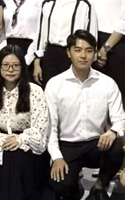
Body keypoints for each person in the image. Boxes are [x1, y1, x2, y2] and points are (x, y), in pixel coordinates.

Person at [46, 30, 125, 200]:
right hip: (67, 145)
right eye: (78, 50)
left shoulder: (107, 83)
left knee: (116, 147)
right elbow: (50, 127)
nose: (83, 56)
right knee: (60, 186)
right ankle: (74, 185)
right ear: (69, 52)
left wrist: (113, 132)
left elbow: (120, 119)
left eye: (89, 51)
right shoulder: (55, 84)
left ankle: (99, 187)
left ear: (95, 53)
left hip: (96, 144)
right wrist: (57, 157)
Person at [0, 46, 50, 200]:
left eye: (16, 65)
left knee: (16, 162)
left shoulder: (35, 91)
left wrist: (20, 140)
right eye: (6, 65)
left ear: (22, 67)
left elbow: (40, 128)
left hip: (28, 146)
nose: (10, 69)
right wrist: (5, 141)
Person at [30, 0, 97, 87]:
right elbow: (40, 35)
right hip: (50, 56)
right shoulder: (47, 3)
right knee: (50, 92)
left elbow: (91, 36)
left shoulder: (85, 3)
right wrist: (37, 62)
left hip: (75, 55)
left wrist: (89, 59)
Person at [81, 0, 125, 100]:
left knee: (118, 94)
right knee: (93, 95)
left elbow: (124, 21)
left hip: (117, 44)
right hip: (91, 43)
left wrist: (105, 48)